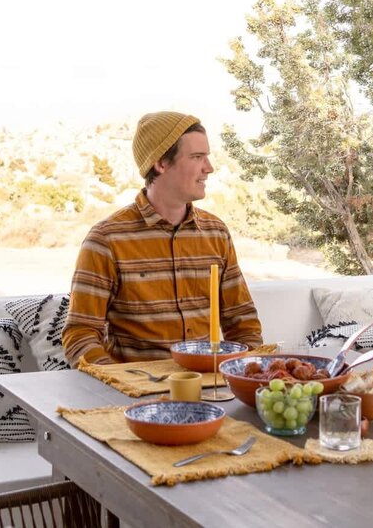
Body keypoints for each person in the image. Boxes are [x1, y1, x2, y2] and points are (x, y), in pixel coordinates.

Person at [62, 112, 263, 366]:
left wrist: (249, 372)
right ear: (161, 163)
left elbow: (243, 324)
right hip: (134, 389)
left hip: (208, 385)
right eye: (197, 157)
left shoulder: (216, 233)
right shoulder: (106, 240)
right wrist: (119, 381)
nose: (209, 168)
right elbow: (79, 335)